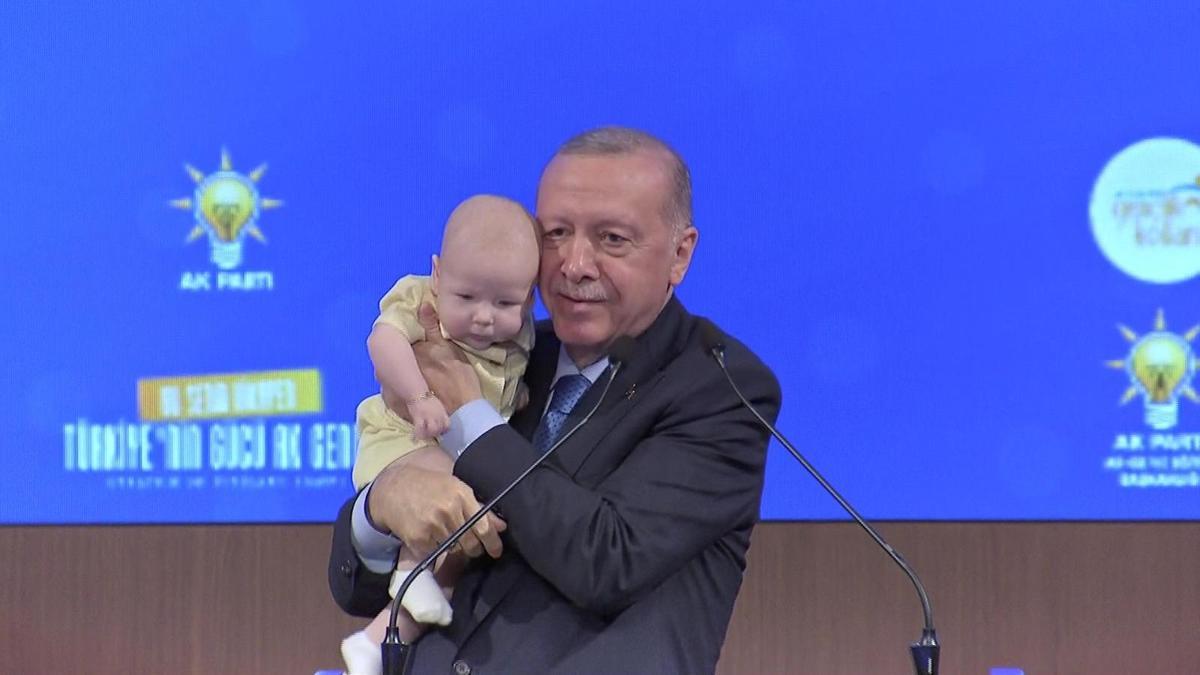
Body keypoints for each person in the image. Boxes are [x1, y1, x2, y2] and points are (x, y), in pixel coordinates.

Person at [329, 126, 782, 674]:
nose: (574, 264)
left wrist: (469, 416)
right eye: (556, 234)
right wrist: (380, 507)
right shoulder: (503, 356)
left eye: (611, 239)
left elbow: (606, 561)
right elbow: (355, 586)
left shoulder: (722, 387)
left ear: (679, 254)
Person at [339, 195, 540, 675]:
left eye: (505, 303)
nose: (484, 317)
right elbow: (383, 341)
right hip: (404, 439)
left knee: (462, 546)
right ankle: (411, 570)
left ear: (529, 296)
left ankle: (376, 640)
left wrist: (516, 397)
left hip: (457, 455)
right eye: (466, 298)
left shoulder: (523, 337)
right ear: (438, 273)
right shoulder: (419, 299)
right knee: (448, 491)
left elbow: (501, 383)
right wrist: (419, 396)